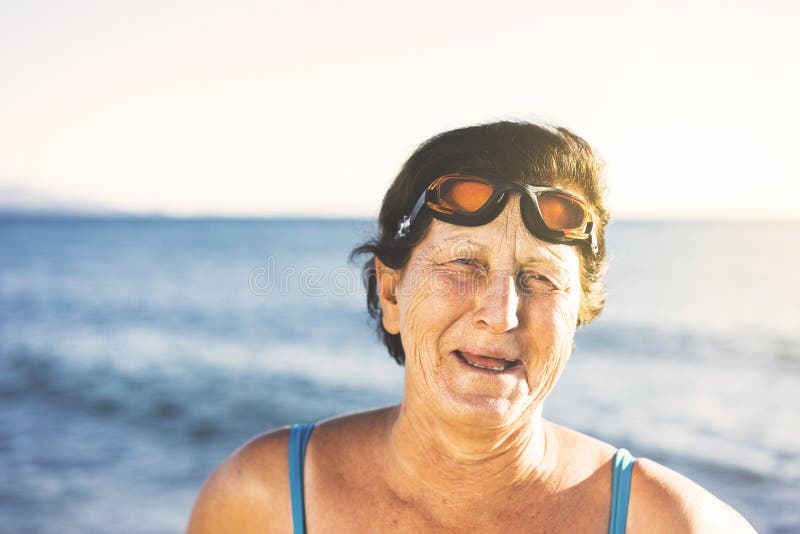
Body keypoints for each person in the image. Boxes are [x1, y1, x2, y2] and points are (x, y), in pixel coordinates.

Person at [187, 121, 755, 533]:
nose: (502, 313)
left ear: (578, 313)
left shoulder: (674, 525)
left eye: (540, 277)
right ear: (390, 291)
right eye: (463, 265)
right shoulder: (262, 501)